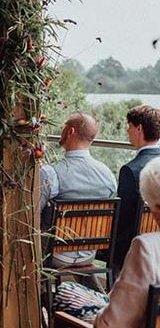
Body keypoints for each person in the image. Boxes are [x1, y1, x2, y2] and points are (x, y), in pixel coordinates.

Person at [29, 157, 160, 328]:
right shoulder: (105, 175)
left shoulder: (148, 247)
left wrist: (98, 315)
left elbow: (112, 326)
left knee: (70, 313)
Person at [40, 112, 117, 287]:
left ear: (70, 131)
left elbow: (33, 215)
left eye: (63, 127)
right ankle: (99, 302)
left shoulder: (51, 173)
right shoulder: (108, 175)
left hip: (54, 255)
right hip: (89, 254)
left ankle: (38, 298)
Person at [113, 105, 160, 271]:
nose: (127, 131)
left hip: (136, 249)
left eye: (129, 126)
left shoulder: (131, 170)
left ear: (139, 128)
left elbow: (123, 221)